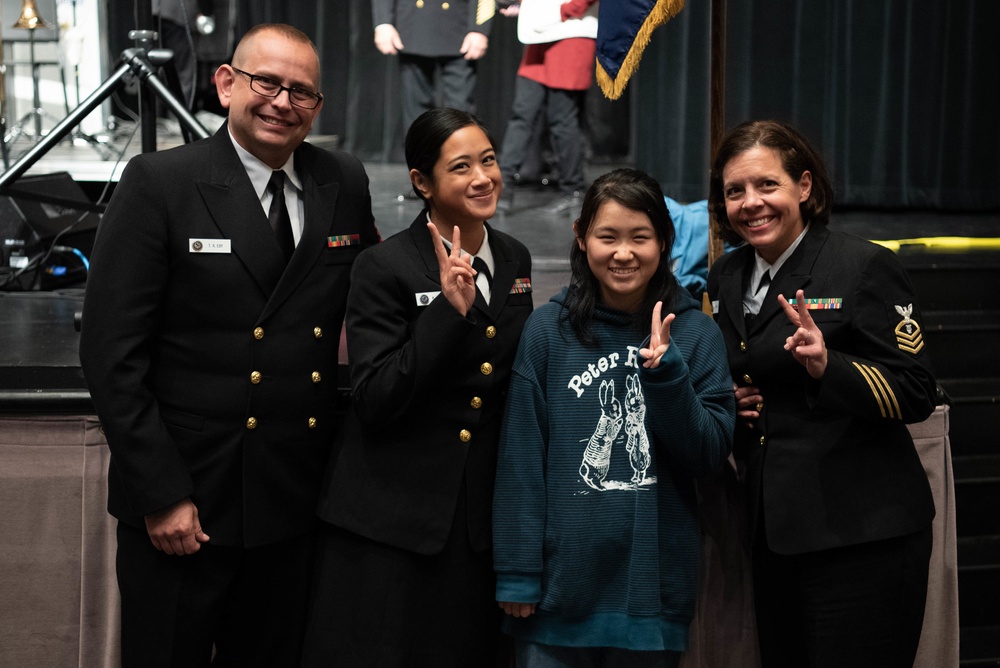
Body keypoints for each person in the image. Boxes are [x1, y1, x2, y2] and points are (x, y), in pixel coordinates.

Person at [78, 24, 378, 667]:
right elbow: (111, 354)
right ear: (226, 84)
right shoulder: (160, 181)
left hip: (291, 502)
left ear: (318, 107)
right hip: (185, 505)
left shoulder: (342, 180)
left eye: (302, 92)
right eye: (266, 82)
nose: (281, 101)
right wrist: (161, 494)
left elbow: (375, 293)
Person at [302, 108, 534, 666]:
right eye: (461, 167)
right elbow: (376, 397)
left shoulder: (514, 258)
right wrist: (446, 316)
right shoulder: (383, 265)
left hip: (473, 526)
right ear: (422, 182)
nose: (483, 177)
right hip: (391, 520)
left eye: (488, 160)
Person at [706, 120, 937, 667]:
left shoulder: (863, 265)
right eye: (734, 191)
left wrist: (828, 366)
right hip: (773, 535)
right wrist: (730, 401)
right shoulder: (726, 276)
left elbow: (915, 388)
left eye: (767, 185)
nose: (751, 203)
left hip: (862, 538)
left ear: (804, 187)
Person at [493, 168, 735, 667]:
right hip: (558, 593)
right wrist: (517, 572)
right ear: (581, 239)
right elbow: (521, 459)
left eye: (640, 238)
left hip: (649, 594)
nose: (623, 253)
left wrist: (667, 377)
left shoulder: (696, 335)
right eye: (608, 236)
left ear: (665, 241)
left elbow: (708, 455)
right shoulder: (547, 331)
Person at [496, 0, 598, 214]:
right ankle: (501, 187)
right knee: (522, 114)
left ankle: (573, 192)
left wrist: (564, 10)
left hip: (572, 33)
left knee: (562, 120)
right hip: (540, 36)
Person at [372, 0, 492, 137]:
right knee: (416, 113)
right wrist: (383, 23)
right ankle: (419, 157)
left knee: (461, 112)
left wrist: (480, 28)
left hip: (459, 27)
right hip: (413, 23)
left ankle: (460, 155)